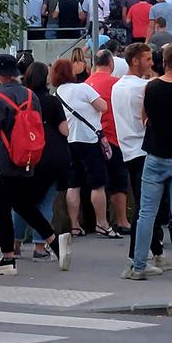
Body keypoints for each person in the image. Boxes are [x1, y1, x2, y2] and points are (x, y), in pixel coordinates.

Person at [0, 54, 71, 274]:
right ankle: (54, 241)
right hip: (27, 159)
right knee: (24, 204)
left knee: (1, 209)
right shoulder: (32, 96)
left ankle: (8, 257)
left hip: (2, 160)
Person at [124, 45, 172, 282]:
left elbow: (144, 117)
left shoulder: (151, 87)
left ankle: (138, 266)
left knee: (147, 212)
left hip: (155, 154)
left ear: (164, 62)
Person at [112, 42, 167, 271]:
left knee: (144, 203)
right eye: (147, 59)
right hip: (145, 148)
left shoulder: (117, 87)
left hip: (127, 149)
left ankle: (155, 250)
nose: (151, 63)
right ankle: (137, 256)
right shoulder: (144, 87)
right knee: (146, 207)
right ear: (135, 60)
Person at [52, 58, 121, 239]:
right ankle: (102, 223)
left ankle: (75, 225)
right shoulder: (83, 88)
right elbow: (103, 106)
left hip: (69, 142)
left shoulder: (56, 94)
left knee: (73, 185)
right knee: (97, 184)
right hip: (90, 141)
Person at [13, 62, 69, 262]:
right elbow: (65, 130)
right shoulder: (52, 101)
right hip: (52, 156)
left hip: (26, 156)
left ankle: (15, 244)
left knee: (21, 202)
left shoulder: (22, 99)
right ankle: (39, 246)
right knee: (45, 202)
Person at [85, 49, 131, 233]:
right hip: (113, 136)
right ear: (111, 63)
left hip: (92, 138)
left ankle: (98, 221)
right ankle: (122, 221)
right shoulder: (116, 84)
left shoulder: (86, 84)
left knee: (97, 182)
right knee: (119, 182)